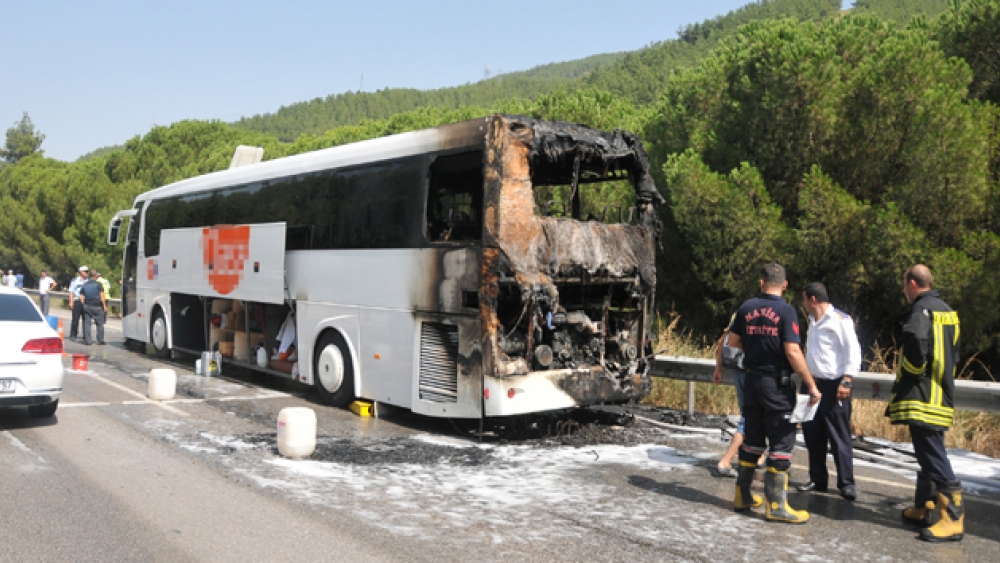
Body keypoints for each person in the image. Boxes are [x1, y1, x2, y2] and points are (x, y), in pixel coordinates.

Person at [726, 262, 821, 524]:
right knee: (781, 440)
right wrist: (811, 384)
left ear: (761, 282)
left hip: (752, 381)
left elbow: (732, 344)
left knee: (752, 439)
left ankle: (742, 496)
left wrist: (755, 348)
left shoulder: (745, 308)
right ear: (785, 284)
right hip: (776, 385)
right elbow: (792, 351)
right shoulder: (786, 311)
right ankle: (776, 506)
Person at [889, 264, 964, 542]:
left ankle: (952, 520)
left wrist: (908, 375)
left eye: (904, 286)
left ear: (911, 283)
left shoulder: (921, 311)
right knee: (926, 453)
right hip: (941, 393)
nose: (904, 291)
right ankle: (925, 506)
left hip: (923, 395)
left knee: (932, 455)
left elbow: (916, 348)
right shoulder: (948, 312)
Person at [796, 282, 861, 501]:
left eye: (804, 299)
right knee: (812, 433)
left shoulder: (840, 320)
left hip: (835, 385)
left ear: (813, 299)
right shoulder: (813, 321)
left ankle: (846, 483)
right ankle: (818, 479)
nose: (803, 304)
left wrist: (847, 380)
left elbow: (853, 350)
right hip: (811, 383)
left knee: (839, 435)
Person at [79, 270, 108, 345]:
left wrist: (83, 303)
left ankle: (88, 340)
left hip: (87, 306)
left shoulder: (85, 285)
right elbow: (102, 296)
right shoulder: (98, 284)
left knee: (87, 324)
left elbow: (81, 296)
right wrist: (104, 306)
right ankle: (100, 340)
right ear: (96, 276)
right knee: (100, 324)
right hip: (97, 306)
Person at [68, 266, 89, 340]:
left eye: (87, 271)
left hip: (86, 301)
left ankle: (85, 335)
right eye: (85, 271)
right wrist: (71, 302)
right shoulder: (75, 280)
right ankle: (73, 334)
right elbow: (71, 291)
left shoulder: (88, 281)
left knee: (86, 319)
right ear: (81, 272)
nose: (87, 273)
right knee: (75, 318)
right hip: (77, 301)